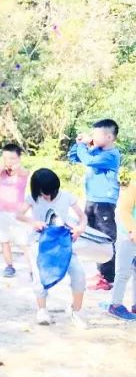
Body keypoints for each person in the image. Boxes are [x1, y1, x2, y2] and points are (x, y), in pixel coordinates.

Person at [18, 168, 88, 328]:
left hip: (63, 242)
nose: (48, 196)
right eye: (44, 193)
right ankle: (42, 310)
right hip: (39, 242)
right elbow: (19, 214)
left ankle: (75, 311)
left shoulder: (67, 197)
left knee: (79, 274)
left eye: (51, 192)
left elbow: (83, 218)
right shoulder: (32, 198)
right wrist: (33, 222)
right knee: (39, 277)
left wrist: (79, 228)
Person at [68, 119, 121, 290]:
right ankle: (101, 274)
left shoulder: (111, 154)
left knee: (106, 238)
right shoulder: (95, 150)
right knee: (93, 236)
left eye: (96, 134)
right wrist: (79, 145)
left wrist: (85, 146)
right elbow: (74, 157)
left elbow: (88, 161)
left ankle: (109, 278)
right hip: (92, 199)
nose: (93, 136)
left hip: (104, 202)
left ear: (108, 137)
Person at [0, 143, 29, 277]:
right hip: (1, 211)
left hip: (17, 214)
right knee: (4, 239)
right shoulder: (2, 171)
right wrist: (6, 163)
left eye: (13, 158)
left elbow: (21, 171)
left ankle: (32, 269)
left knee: (24, 242)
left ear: (19, 158)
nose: (9, 161)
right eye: (6, 158)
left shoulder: (23, 172)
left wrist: (15, 166)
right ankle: (9, 266)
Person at [106, 168, 136, 321]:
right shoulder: (133, 184)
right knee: (123, 272)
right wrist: (132, 230)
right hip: (129, 235)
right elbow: (123, 211)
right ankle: (115, 305)